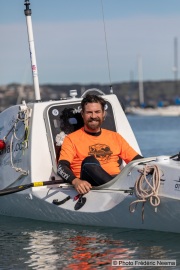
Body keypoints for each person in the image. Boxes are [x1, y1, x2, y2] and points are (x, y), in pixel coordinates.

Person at [57, 94, 143, 194]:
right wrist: (76, 182)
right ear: (82, 114)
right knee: (90, 161)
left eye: (97, 112)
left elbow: (136, 160)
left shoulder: (115, 136)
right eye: (89, 112)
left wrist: (154, 167)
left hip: (116, 180)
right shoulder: (71, 139)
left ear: (103, 114)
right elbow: (61, 167)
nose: (93, 116)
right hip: (90, 183)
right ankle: (118, 190)